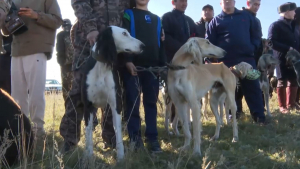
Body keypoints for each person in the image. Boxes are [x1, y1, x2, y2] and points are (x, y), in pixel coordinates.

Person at [59, 0, 130, 153]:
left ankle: (110, 139)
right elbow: (79, 2)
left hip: (113, 47)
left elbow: (131, 10)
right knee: (78, 92)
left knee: (113, 93)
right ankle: (70, 140)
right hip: (87, 42)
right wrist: (91, 28)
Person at [207, 0, 266, 124]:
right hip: (226, 62)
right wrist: (209, 60)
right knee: (229, 89)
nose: (228, 2)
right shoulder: (215, 21)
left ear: (234, 2)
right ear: (220, 4)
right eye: (224, 0)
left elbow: (256, 35)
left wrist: (252, 47)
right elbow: (209, 43)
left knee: (253, 86)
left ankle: (259, 117)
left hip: (247, 59)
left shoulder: (246, 16)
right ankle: (232, 116)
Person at [10, 0, 62, 136]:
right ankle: (21, 131)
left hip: (37, 48)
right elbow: (6, 31)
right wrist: (3, 19)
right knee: (17, 96)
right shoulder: (12, 1)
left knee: (35, 94)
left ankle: (38, 131)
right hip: (16, 51)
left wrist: (36, 15)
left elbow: (57, 21)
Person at [122, 0, 166, 153]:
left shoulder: (156, 18)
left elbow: (160, 43)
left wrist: (162, 64)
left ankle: (152, 138)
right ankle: (135, 139)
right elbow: (124, 38)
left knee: (151, 104)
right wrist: (127, 60)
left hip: (152, 68)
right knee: (132, 103)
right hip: (133, 66)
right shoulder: (128, 14)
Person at [161, 0, 198, 123]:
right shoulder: (167, 18)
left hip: (188, 64)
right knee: (173, 93)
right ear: (173, 2)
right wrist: (184, 48)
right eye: (181, 1)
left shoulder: (189, 20)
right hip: (172, 63)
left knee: (189, 91)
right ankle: (174, 120)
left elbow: (196, 36)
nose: (184, 3)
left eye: (186, 1)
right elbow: (165, 38)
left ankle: (188, 119)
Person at [268, 2, 299, 113]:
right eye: (293, 10)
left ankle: (291, 105)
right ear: (286, 12)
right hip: (281, 58)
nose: (295, 13)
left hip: (295, 59)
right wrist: (288, 48)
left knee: (294, 80)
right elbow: (271, 42)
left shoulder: (294, 25)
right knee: (282, 81)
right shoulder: (275, 25)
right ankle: (282, 107)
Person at [235, 0, 263, 117]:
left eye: (258, 5)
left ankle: (258, 116)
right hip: (238, 57)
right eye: (254, 4)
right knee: (236, 87)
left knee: (253, 87)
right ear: (248, 3)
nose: (256, 7)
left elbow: (257, 38)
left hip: (252, 58)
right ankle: (236, 113)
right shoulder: (240, 16)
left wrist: (253, 50)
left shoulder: (256, 20)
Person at [56, 19, 74, 102]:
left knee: (66, 88)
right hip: (78, 65)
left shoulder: (61, 35)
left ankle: (68, 110)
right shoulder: (76, 32)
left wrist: (61, 62)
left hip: (66, 66)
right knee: (78, 87)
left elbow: (59, 50)